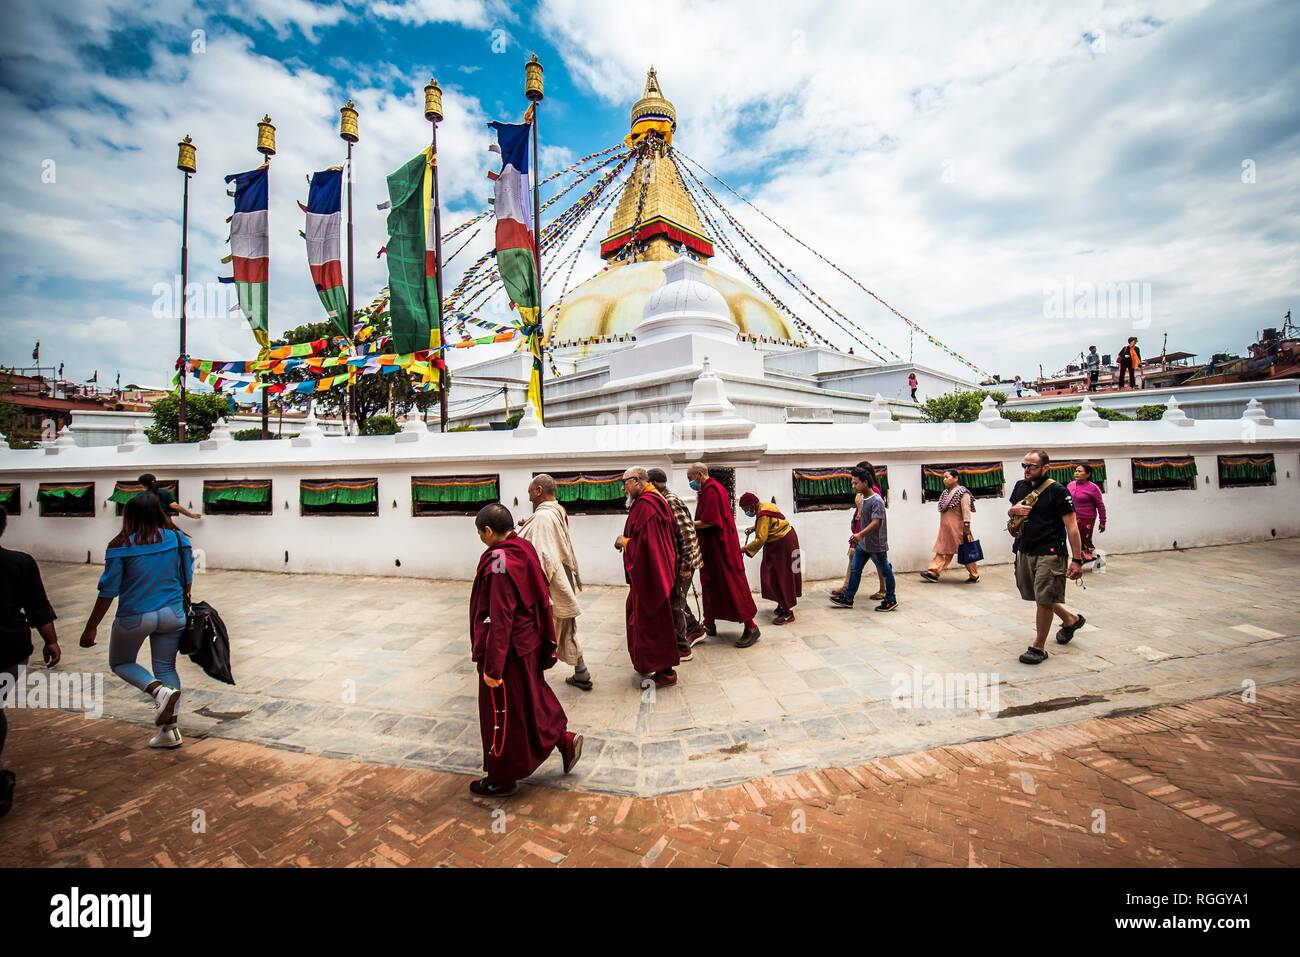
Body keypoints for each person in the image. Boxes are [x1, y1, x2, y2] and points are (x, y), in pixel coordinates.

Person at [469, 504, 582, 797]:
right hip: (528, 641)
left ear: (489, 531)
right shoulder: (523, 548)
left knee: (503, 711)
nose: (481, 539)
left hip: (506, 652)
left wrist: (493, 668)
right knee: (530, 699)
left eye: (480, 533)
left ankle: (502, 776)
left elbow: (500, 617)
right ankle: (563, 739)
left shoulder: (498, 562)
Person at [79, 493, 192, 748]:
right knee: (166, 668)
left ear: (128, 516)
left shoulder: (120, 545)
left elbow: (108, 590)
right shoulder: (177, 538)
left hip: (135, 615)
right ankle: (169, 732)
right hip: (173, 614)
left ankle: (156, 691)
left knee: (121, 662)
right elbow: (187, 579)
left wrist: (91, 626)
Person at [0, 507, 61, 818]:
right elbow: (38, 607)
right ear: (4, 524)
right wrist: (51, 641)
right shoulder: (19, 563)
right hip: (8, 649)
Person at [1008, 450, 1086, 665]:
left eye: (1031, 466)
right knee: (1035, 594)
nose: (1026, 470)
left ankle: (1038, 647)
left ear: (1045, 468)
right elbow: (1015, 512)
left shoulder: (1057, 491)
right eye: (1024, 465)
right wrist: (1011, 510)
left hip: (1050, 552)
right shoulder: (1020, 486)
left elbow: (1072, 527)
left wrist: (1077, 559)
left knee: (1043, 599)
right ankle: (1071, 620)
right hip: (1024, 549)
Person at [517, 474, 592, 691]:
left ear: (539, 490)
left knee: (541, 634)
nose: (530, 498)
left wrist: (536, 591)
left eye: (531, 492)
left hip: (550, 585)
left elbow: (542, 556)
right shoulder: (557, 510)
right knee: (567, 628)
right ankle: (581, 672)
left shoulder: (542, 517)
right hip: (562, 580)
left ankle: (533, 682)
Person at [615, 468, 681, 686]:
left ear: (636, 481)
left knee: (652, 624)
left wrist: (624, 542)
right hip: (653, 573)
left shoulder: (647, 505)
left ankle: (666, 671)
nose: (623, 487)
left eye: (625, 483)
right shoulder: (651, 501)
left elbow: (646, 547)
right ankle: (651, 664)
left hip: (651, 577)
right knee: (643, 621)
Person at [687, 463, 760, 647]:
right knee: (710, 584)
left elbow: (711, 521)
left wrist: (688, 524)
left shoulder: (713, 490)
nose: (690, 482)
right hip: (711, 549)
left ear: (699, 474)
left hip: (721, 548)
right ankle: (709, 623)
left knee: (731, 584)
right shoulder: (706, 490)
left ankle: (751, 627)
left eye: (690, 478)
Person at [646, 468, 704, 661]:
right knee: (677, 600)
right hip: (677, 561)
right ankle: (695, 628)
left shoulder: (669, 501)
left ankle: (682, 647)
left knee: (674, 604)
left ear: (653, 484)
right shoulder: (662, 499)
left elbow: (686, 534)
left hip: (684, 562)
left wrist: (686, 566)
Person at [830, 463, 897, 611]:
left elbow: (876, 522)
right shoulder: (863, 499)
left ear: (865, 482)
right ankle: (848, 598)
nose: (853, 485)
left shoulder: (876, 500)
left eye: (856, 482)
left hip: (876, 544)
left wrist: (859, 534)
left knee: (885, 570)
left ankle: (891, 599)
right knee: (855, 569)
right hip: (863, 544)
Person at [739, 492, 802, 625]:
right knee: (776, 574)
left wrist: (743, 549)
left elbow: (761, 539)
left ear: (751, 505)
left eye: (745, 509)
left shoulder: (762, 514)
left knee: (779, 576)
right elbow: (773, 522)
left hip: (781, 544)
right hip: (787, 539)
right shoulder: (766, 505)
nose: (746, 512)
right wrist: (754, 527)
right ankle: (782, 604)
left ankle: (788, 613)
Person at [922, 468, 980, 583]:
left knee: (966, 551)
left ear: (956, 478)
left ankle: (974, 575)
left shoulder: (963, 493)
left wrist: (966, 528)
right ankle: (933, 572)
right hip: (946, 529)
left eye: (947, 477)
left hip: (959, 529)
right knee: (943, 550)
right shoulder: (945, 493)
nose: (944, 480)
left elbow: (966, 511)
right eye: (943, 477)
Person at [1067, 464, 1107, 563]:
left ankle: (1095, 559)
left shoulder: (1093, 488)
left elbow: (1100, 505)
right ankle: (1081, 559)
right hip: (1072, 517)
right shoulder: (1070, 485)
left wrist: (1103, 521)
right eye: (1076, 471)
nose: (1076, 473)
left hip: (1087, 518)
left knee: (1085, 540)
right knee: (1075, 539)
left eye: (1080, 471)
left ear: (1088, 474)